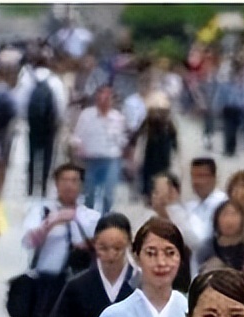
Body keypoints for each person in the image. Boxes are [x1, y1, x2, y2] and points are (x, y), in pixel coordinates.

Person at [19, 163, 100, 317]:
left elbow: (101, 245)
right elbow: (28, 240)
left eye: (74, 180)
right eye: (64, 180)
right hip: (49, 283)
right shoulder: (42, 211)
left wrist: (77, 225)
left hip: (77, 284)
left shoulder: (90, 216)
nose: (69, 185)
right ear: (56, 183)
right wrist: (51, 223)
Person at [71, 84, 126, 214]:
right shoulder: (86, 115)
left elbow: (123, 140)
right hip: (92, 160)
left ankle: (105, 219)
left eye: (108, 97)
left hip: (111, 160)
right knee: (89, 193)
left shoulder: (118, 118)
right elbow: (77, 136)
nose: (105, 100)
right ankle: (89, 220)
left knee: (108, 194)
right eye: (102, 96)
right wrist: (77, 148)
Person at [21, 53, 68, 198]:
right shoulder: (55, 81)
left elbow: (21, 101)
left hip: (33, 123)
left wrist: (25, 119)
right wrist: (59, 121)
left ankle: (30, 187)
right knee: (47, 156)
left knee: (32, 154)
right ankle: (43, 188)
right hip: (49, 124)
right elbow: (61, 103)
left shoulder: (27, 79)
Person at [128, 91, 179, 204]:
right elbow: (136, 137)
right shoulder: (147, 123)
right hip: (149, 157)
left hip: (163, 158)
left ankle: (159, 195)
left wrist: (176, 155)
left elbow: (174, 141)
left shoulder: (168, 124)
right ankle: (148, 196)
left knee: (161, 178)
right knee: (147, 178)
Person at [148, 172, 194, 294]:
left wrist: (165, 212)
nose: (155, 196)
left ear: (173, 192)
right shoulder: (148, 220)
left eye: (158, 192)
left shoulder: (187, 216)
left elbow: (192, 242)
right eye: (154, 192)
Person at [183, 157, 229, 275]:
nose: (196, 182)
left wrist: (172, 210)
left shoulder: (223, 204)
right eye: (194, 176)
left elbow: (199, 239)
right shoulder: (192, 206)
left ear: (214, 178)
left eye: (202, 176)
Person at [194, 200, 244, 273]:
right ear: (216, 219)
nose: (229, 220)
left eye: (234, 214)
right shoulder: (206, 248)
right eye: (225, 215)